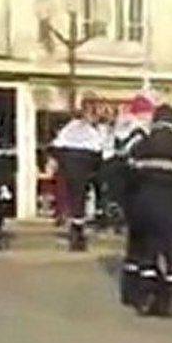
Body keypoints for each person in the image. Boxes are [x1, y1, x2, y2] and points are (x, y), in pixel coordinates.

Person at [125, 105, 172, 318]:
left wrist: (132, 205)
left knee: (148, 252)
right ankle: (171, 301)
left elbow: (129, 178)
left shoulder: (140, 146)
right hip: (171, 203)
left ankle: (146, 299)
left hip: (143, 203)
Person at [113, 95, 156, 307]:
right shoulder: (140, 135)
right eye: (149, 113)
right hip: (139, 193)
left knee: (134, 244)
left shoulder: (121, 131)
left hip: (126, 193)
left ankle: (129, 289)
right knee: (145, 245)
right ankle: (142, 291)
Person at [49, 103, 104, 251]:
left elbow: (56, 147)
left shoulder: (68, 129)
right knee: (79, 196)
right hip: (84, 160)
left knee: (70, 195)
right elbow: (98, 150)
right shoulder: (91, 131)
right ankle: (77, 231)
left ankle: (73, 226)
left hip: (68, 159)